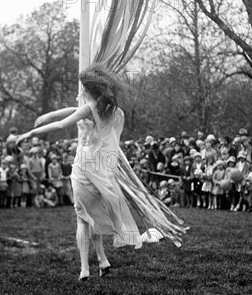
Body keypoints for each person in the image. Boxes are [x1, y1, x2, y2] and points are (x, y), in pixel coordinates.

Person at [15, 64, 186, 281]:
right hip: (102, 170)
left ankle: (85, 268)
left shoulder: (90, 109)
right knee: (91, 216)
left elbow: (62, 124)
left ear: (88, 90)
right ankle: (102, 260)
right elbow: (72, 112)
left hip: (84, 167)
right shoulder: (114, 110)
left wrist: (30, 133)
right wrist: (48, 116)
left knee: (82, 218)